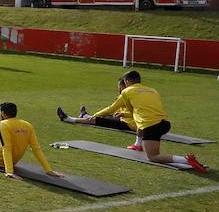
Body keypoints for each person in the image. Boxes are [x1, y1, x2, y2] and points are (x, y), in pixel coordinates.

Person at [57, 70, 207, 171]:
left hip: (150, 126)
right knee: (141, 125)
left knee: (154, 157)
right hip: (164, 124)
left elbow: (111, 108)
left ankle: (187, 160)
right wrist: (124, 114)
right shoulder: (151, 90)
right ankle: (138, 145)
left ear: (127, 82)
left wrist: (94, 115)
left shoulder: (127, 91)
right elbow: (140, 109)